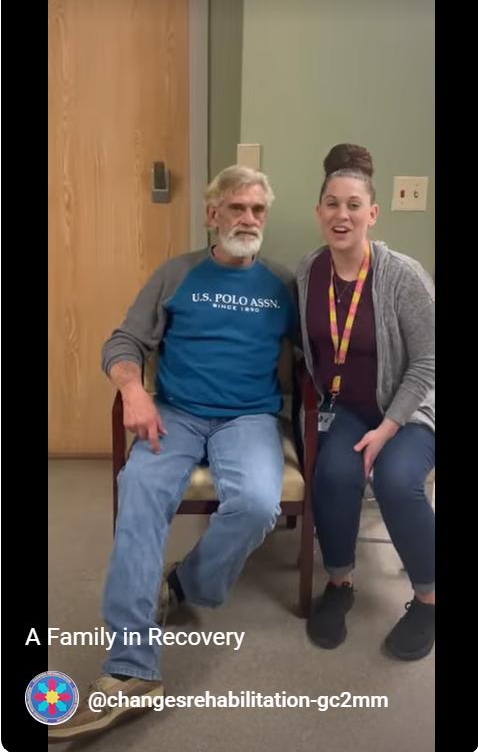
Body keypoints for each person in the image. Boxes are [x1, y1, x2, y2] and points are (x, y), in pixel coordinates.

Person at [48, 165, 297, 742]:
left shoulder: (282, 285)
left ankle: (184, 587)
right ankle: (131, 669)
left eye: (258, 210)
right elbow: (124, 340)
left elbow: (319, 354)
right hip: (177, 414)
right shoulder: (177, 274)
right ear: (212, 214)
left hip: (249, 418)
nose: (248, 219)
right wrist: (134, 391)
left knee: (259, 502)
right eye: (236, 208)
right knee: (138, 493)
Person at [296, 144, 435, 661]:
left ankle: (427, 596)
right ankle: (339, 583)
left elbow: (427, 362)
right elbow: (307, 350)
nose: (342, 215)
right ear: (318, 213)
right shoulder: (309, 272)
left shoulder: (403, 275)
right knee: (333, 474)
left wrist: (389, 427)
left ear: (372, 213)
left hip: (410, 407)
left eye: (354, 204)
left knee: (397, 481)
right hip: (346, 407)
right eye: (332, 204)